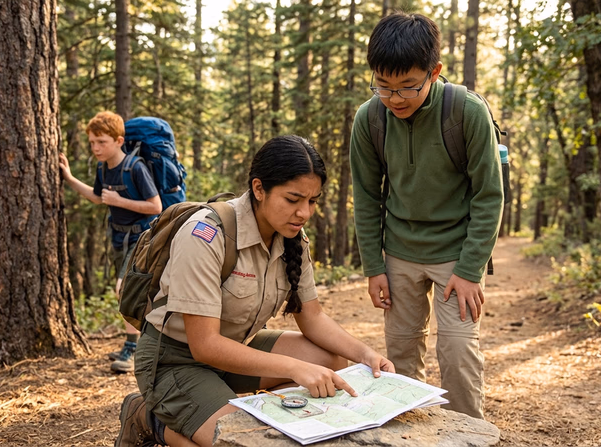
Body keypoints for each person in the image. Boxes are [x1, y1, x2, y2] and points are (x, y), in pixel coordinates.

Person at [114, 135, 395, 447]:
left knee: (329, 359)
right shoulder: (206, 235)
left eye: (312, 201)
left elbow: (313, 317)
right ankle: (147, 420)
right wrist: (295, 368)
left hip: (235, 349)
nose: (304, 213)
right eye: (293, 199)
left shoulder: (291, 238)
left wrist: (365, 354)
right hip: (174, 362)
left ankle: (247, 413)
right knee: (244, 442)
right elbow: (205, 345)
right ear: (259, 189)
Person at [349, 13, 504, 420]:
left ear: (434, 72)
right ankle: (408, 430)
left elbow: (489, 196)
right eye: (383, 86)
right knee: (400, 351)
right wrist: (374, 267)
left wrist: (470, 270)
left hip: (456, 253)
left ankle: (470, 434)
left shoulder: (466, 112)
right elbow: (366, 198)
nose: (395, 98)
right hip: (399, 253)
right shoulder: (370, 119)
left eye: (408, 87)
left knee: (456, 349)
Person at [59, 111, 162, 374]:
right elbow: (97, 197)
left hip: (141, 237)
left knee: (124, 289)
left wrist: (120, 202)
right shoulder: (102, 167)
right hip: (118, 237)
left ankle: (134, 349)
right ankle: (137, 344)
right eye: (92, 142)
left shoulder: (135, 167)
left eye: (101, 142)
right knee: (131, 294)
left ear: (118, 140)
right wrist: (69, 178)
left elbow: (155, 206)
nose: (95, 148)